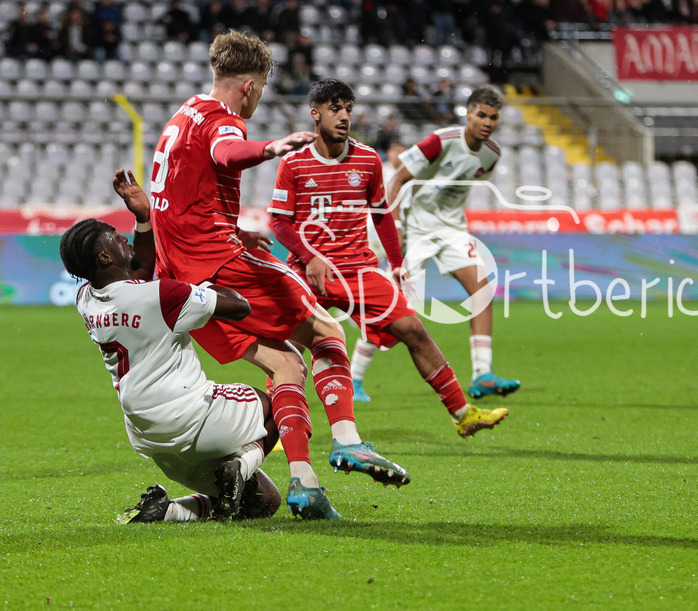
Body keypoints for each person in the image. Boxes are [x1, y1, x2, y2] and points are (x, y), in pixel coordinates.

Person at [149, 30, 408, 522]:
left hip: (184, 287)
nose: (259, 98)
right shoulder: (223, 121)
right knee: (328, 333)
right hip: (220, 268)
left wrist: (235, 228)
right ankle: (349, 441)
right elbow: (227, 154)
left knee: (286, 367)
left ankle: (304, 484)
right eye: (262, 88)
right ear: (248, 86)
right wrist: (272, 148)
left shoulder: (182, 116)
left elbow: (185, 196)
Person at [267, 79, 509, 437]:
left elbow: (380, 214)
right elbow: (278, 221)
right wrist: (309, 255)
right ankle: (273, 431)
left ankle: (463, 413)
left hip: (359, 271)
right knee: (289, 353)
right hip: (308, 273)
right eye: (335, 109)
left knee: (413, 329)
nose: (344, 116)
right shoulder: (294, 163)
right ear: (315, 114)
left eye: (348, 108)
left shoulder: (366, 160)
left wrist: (395, 263)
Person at [61, 169, 281, 523]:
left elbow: (139, 273)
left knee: (264, 502)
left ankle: (167, 511)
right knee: (276, 401)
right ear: (104, 258)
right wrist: (200, 276)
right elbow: (240, 305)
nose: (124, 240)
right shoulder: (162, 296)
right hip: (193, 417)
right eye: (115, 238)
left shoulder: (86, 299)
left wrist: (144, 218)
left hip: (152, 438)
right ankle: (239, 465)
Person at [356, 86, 521, 400]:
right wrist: (397, 226)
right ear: (468, 114)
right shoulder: (440, 141)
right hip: (415, 227)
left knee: (483, 290)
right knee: (393, 307)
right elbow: (398, 179)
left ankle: (482, 373)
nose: (486, 122)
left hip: (451, 230)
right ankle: (355, 377)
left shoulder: (491, 155)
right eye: (481, 114)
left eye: (493, 117)